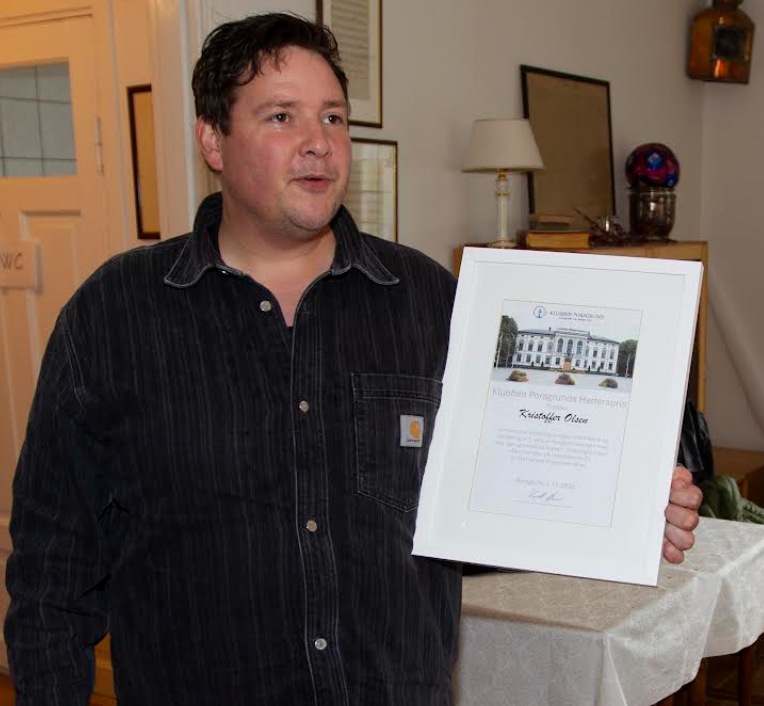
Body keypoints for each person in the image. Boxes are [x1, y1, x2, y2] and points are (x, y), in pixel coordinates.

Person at [4, 12, 702, 706]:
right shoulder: (113, 317)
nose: (319, 143)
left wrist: (622, 504)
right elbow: (50, 575)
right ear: (212, 139)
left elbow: (483, 510)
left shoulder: (430, 302)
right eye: (282, 117)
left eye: (334, 118)